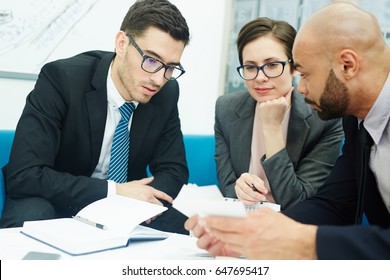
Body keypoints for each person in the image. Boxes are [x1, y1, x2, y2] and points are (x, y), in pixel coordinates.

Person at [185, 2, 390, 259]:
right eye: (250, 67)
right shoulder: (355, 119)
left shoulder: (331, 119)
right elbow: (335, 204)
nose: (301, 89)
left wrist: (306, 242)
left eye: (304, 74)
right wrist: (249, 233)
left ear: (347, 65)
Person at [1, 0, 190, 234]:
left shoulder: (167, 93)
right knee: (32, 220)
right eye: (151, 60)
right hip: (53, 199)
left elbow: (174, 170)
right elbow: (25, 174)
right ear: (122, 44)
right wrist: (115, 191)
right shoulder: (61, 79)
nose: (159, 79)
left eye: (170, 68)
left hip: (125, 207)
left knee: (186, 229)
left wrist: (142, 203)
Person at [215, 17, 343, 209]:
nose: (260, 77)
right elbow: (228, 189)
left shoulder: (324, 119)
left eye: (272, 65)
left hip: (291, 227)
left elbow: (297, 202)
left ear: (294, 68)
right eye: (250, 67)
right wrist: (239, 190)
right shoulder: (226, 108)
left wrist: (271, 128)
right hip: (243, 222)